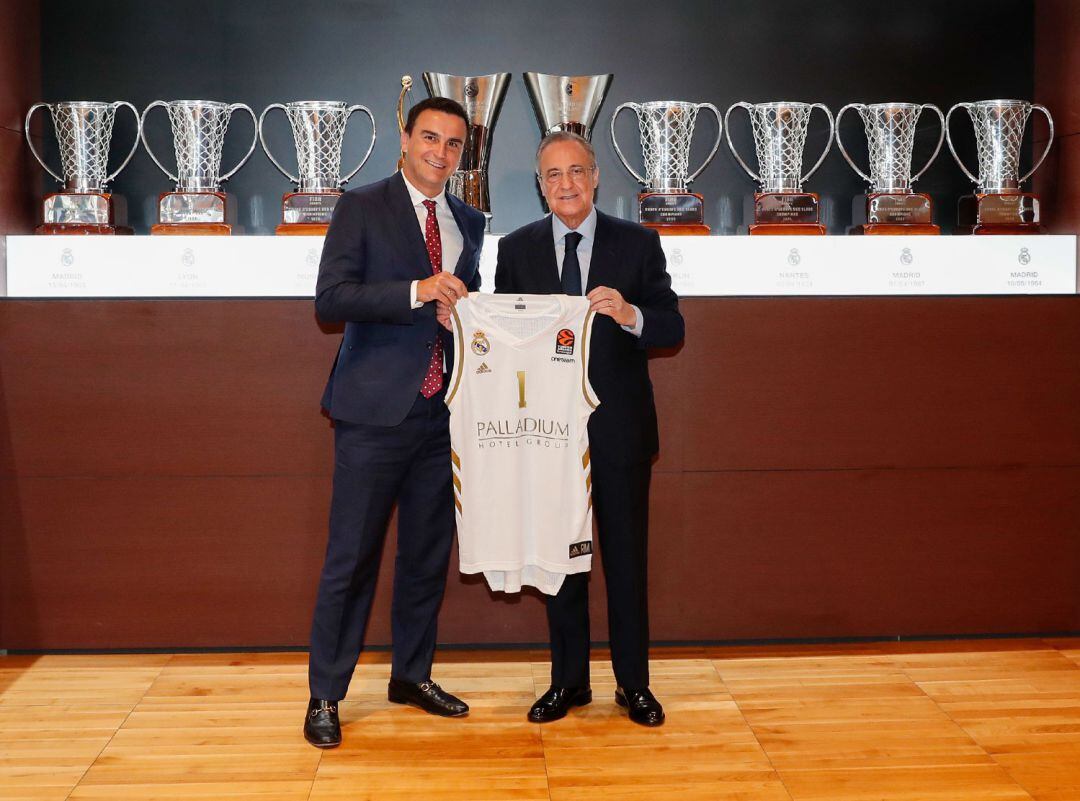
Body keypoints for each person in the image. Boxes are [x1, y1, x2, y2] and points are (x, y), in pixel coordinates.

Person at [304, 97, 486, 748]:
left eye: (454, 144)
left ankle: (412, 675)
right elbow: (331, 299)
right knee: (350, 558)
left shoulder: (471, 218)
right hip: (372, 413)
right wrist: (418, 291)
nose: (441, 152)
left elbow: (462, 301)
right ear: (406, 140)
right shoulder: (362, 205)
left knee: (425, 557)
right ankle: (325, 693)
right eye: (430, 137)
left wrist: (458, 316)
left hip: (442, 413)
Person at [494, 131, 684, 727]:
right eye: (554, 175)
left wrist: (630, 314)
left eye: (577, 172)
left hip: (621, 431)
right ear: (540, 185)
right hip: (549, 436)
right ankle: (568, 683)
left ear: (597, 177)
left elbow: (672, 326)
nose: (567, 184)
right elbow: (503, 340)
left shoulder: (638, 243)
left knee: (626, 561)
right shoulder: (517, 249)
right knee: (561, 563)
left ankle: (634, 685)